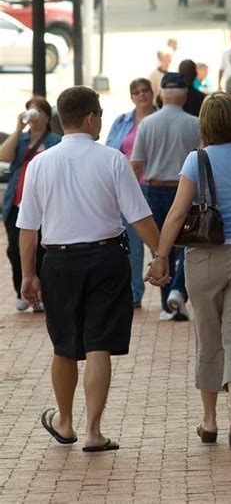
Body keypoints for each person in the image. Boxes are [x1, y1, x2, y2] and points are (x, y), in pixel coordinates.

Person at [16, 86, 166, 452]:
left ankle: (65, 423)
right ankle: (93, 431)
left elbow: (28, 229)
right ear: (90, 117)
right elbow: (139, 216)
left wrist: (28, 275)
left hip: (59, 261)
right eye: (98, 112)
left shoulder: (40, 164)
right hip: (105, 258)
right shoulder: (112, 159)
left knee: (64, 345)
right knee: (99, 343)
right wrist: (160, 254)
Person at [147, 92, 231, 449]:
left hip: (204, 257)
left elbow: (177, 215)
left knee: (208, 337)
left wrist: (161, 257)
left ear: (205, 123)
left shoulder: (196, 161)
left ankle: (209, 421)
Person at [131, 73, 200, 321]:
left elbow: (136, 164)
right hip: (186, 189)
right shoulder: (195, 123)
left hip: (154, 188)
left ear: (161, 94)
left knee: (160, 247)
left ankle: (165, 304)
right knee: (189, 244)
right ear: (185, 95)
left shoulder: (147, 124)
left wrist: (128, 197)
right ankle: (179, 291)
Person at [0, 97, 61, 311]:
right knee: (15, 250)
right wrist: (18, 129)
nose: (33, 114)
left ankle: (41, 293)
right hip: (15, 204)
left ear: (46, 115)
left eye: (37, 111)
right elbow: (3, 155)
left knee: (42, 250)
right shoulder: (22, 140)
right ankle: (22, 292)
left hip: (43, 205)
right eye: (30, 110)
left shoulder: (55, 141)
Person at [106, 78, 156, 308]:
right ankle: (135, 292)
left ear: (153, 93)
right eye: (137, 92)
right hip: (127, 188)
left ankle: (168, 289)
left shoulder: (161, 120)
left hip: (156, 185)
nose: (142, 95)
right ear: (131, 97)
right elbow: (109, 150)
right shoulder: (122, 121)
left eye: (145, 90)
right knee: (133, 243)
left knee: (161, 241)